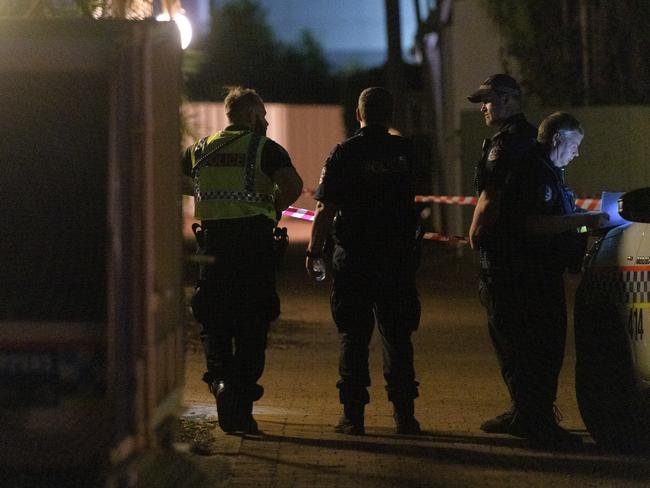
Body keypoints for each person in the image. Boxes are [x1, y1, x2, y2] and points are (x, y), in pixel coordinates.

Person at [182, 86, 302, 434]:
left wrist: (202, 192)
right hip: (253, 247)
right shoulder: (265, 148)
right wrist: (272, 207)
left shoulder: (200, 149)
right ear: (250, 115)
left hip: (213, 247)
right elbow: (293, 186)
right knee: (253, 322)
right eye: (262, 115)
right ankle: (243, 403)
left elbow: (174, 178)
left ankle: (220, 383)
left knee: (214, 319)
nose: (265, 121)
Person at [306, 87, 422, 436]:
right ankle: (405, 417)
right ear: (390, 116)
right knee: (398, 337)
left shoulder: (344, 153)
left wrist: (314, 250)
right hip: (397, 259)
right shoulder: (406, 152)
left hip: (354, 259)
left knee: (353, 337)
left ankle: (353, 417)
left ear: (358, 115)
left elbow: (326, 208)